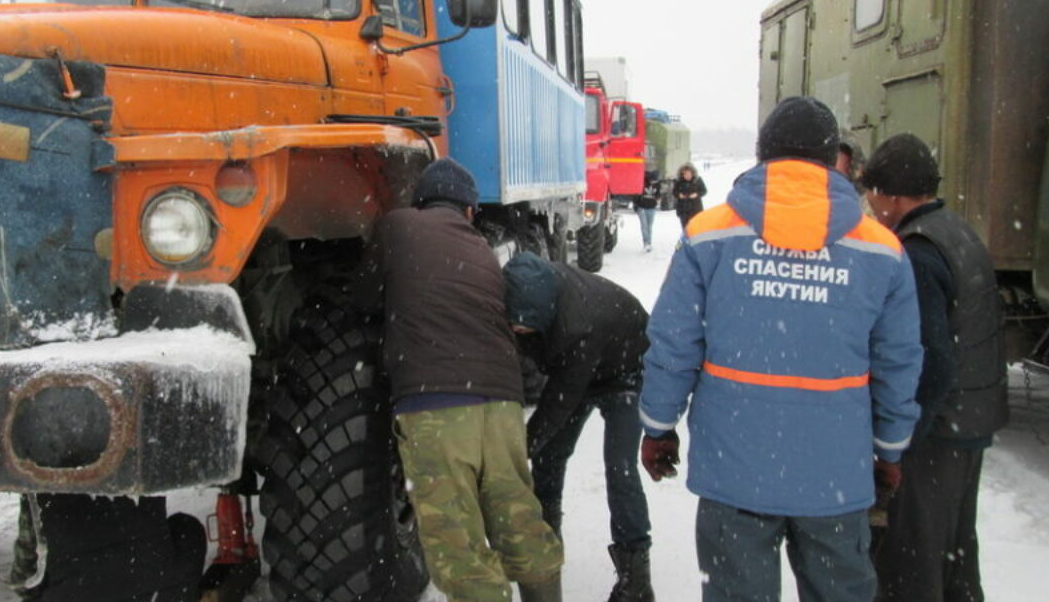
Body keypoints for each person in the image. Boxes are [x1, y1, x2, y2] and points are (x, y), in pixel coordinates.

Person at [637, 96, 923, 602]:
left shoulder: (710, 235)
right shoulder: (881, 248)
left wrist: (658, 427)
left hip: (735, 472)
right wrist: (889, 447)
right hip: (835, 474)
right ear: (832, 156)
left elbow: (674, 342)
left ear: (762, 153)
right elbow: (898, 361)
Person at [361, 158, 564, 602]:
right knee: (517, 515)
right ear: (470, 211)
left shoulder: (397, 227)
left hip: (435, 406)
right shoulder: (481, 251)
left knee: (459, 546)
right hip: (503, 404)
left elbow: (364, 293)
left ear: (420, 202)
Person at [861, 133, 1009, 602]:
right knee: (954, 554)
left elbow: (934, 363)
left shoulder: (918, 251)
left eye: (872, 192)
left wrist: (898, 443)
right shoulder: (957, 231)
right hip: (971, 419)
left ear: (893, 194)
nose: (869, 203)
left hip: (937, 433)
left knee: (912, 563)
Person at [502, 251, 654, 602]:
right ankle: (546, 542)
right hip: (581, 368)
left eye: (523, 327)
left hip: (627, 370)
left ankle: (636, 576)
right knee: (549, 457)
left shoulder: (579, 323)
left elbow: (558, 403)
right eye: (515, 324)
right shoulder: (526, 292)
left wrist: (517, 450)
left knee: (620, 467)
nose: (517, 331)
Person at [671, 163, 706, 230]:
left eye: (688, 174)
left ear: (692, 173)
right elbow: (674, 192)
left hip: (695, 209)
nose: (687, 176)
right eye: (685, 174)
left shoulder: (698, 180)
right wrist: (679, 195)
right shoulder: (679, 181)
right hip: (683, 209)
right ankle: (686, 240)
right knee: (685, 229)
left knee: (695, 229)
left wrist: (696, 194)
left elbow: (704, 191)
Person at [633, 170, 661, 251]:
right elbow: (636, 194)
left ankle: (649, 242)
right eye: (652, 181)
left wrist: (658, 197)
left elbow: (658, 194)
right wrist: (636, 205)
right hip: (642, 207)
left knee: (649, 226)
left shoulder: (657, 184)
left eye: (655, 181)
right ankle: (646, 243)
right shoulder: (642, 183)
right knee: (644, 226)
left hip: (652, 207)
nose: (653, 183)